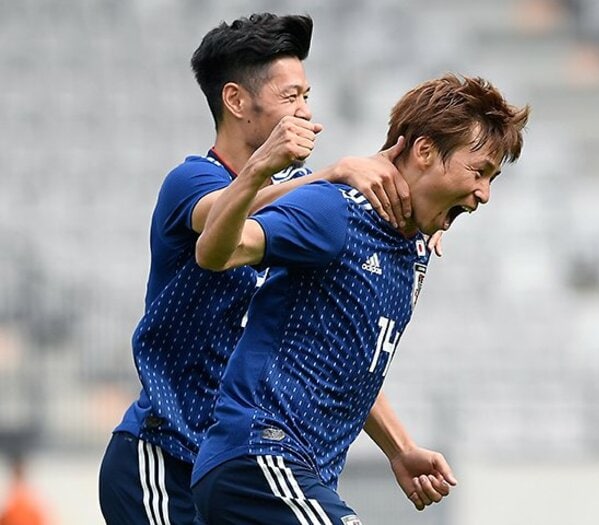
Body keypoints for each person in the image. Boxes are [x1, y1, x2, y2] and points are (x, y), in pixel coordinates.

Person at [98, 13, 449, 525]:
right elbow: (222, 219)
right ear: (237, 101)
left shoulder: (308, 202)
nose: (308, 113)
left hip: (242, 464)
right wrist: (329, 175)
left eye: (307, 95)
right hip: (164, 458)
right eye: (292, 98)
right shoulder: (190, 181)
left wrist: (422, 212)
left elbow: (337, 348)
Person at [191, 74, 530, 524]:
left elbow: (349, 362)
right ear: (425, 151)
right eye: (478, 171)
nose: (484, 194)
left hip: (300, 473)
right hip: (258, 458)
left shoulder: (413, 248)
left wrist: (400, 449)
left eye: (492, 178)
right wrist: (257, 171)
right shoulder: (336, 211)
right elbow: (218, 252)